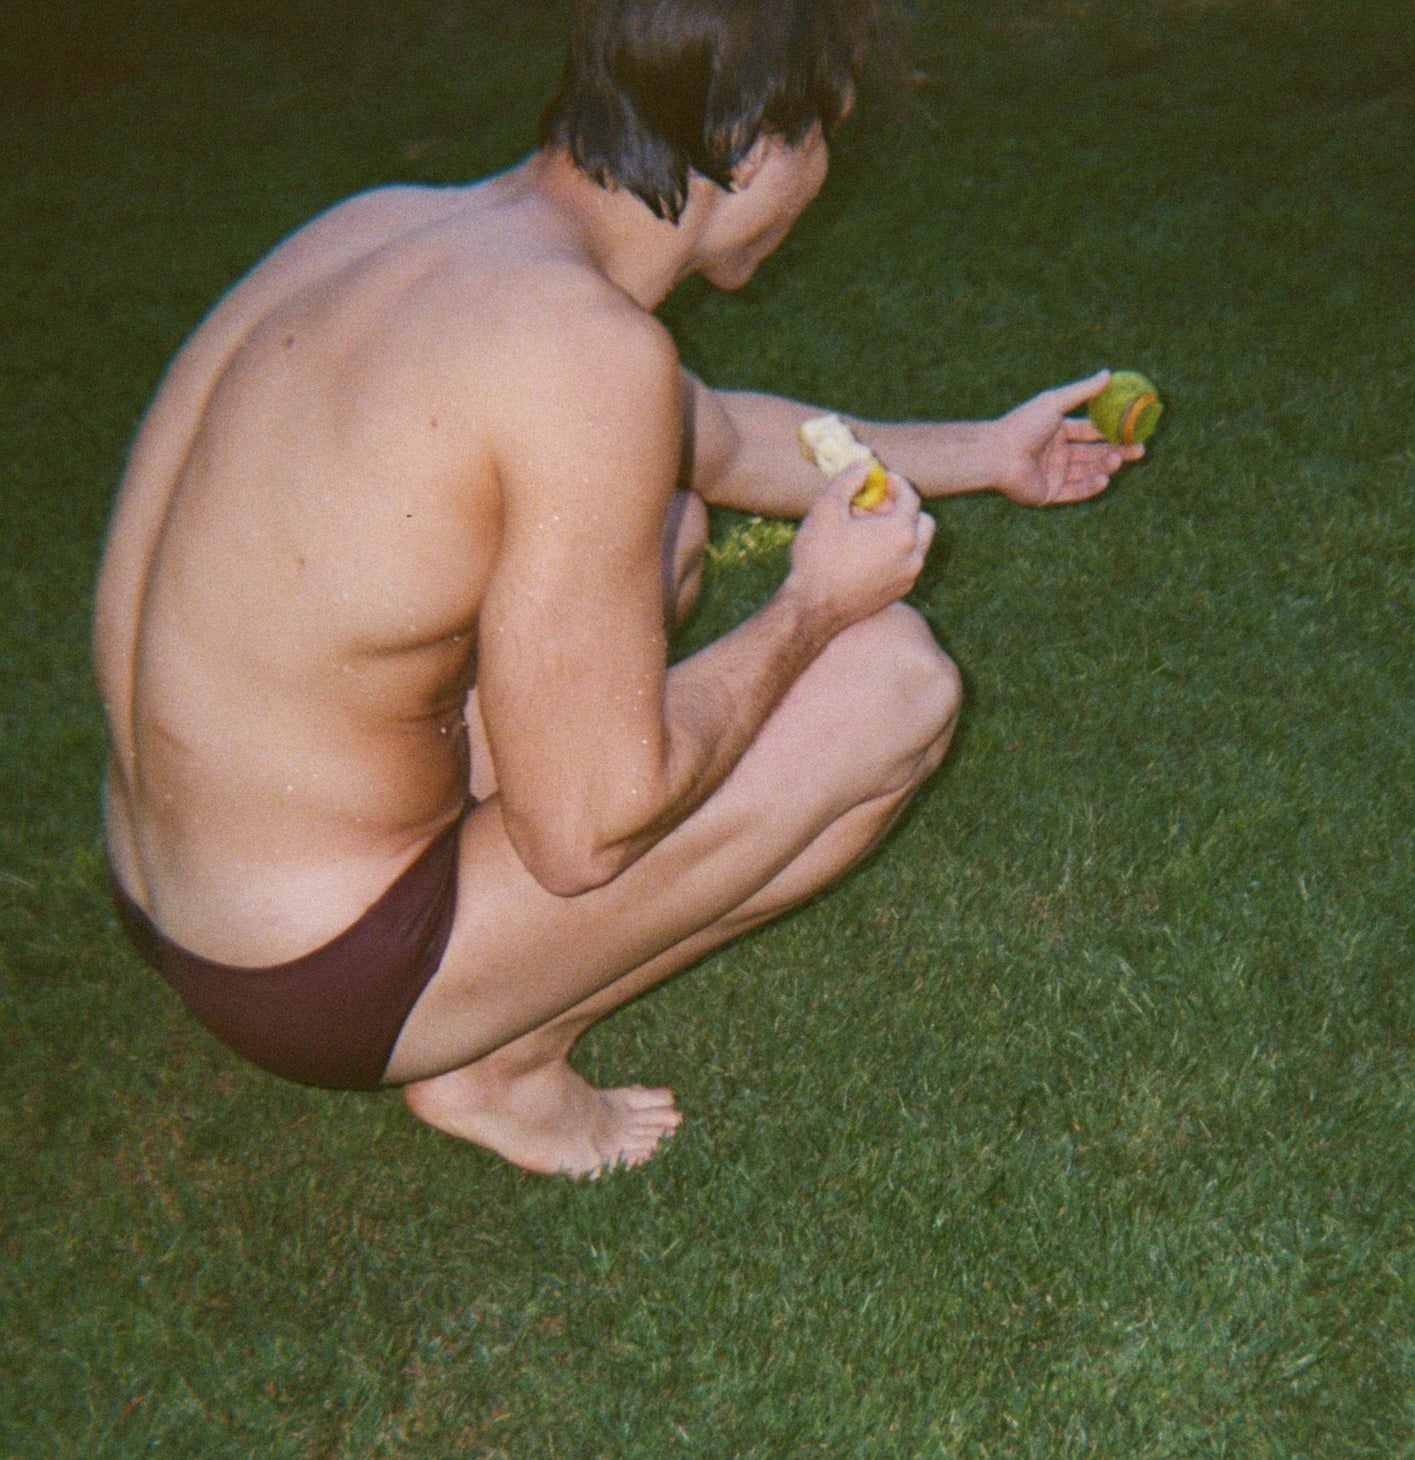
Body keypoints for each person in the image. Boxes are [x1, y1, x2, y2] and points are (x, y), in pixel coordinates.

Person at [90, 0, 1142, 1177]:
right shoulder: (584, 360)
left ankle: (480, 970)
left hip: (172, 883)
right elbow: (585, 834)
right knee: (893, 685)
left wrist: (987, 452)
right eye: (826, 136)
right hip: (315, 969)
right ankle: (500, 1059)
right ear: (752, 146)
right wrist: (811, 607)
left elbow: (716, 441)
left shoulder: (397, 228)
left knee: (669, 529)